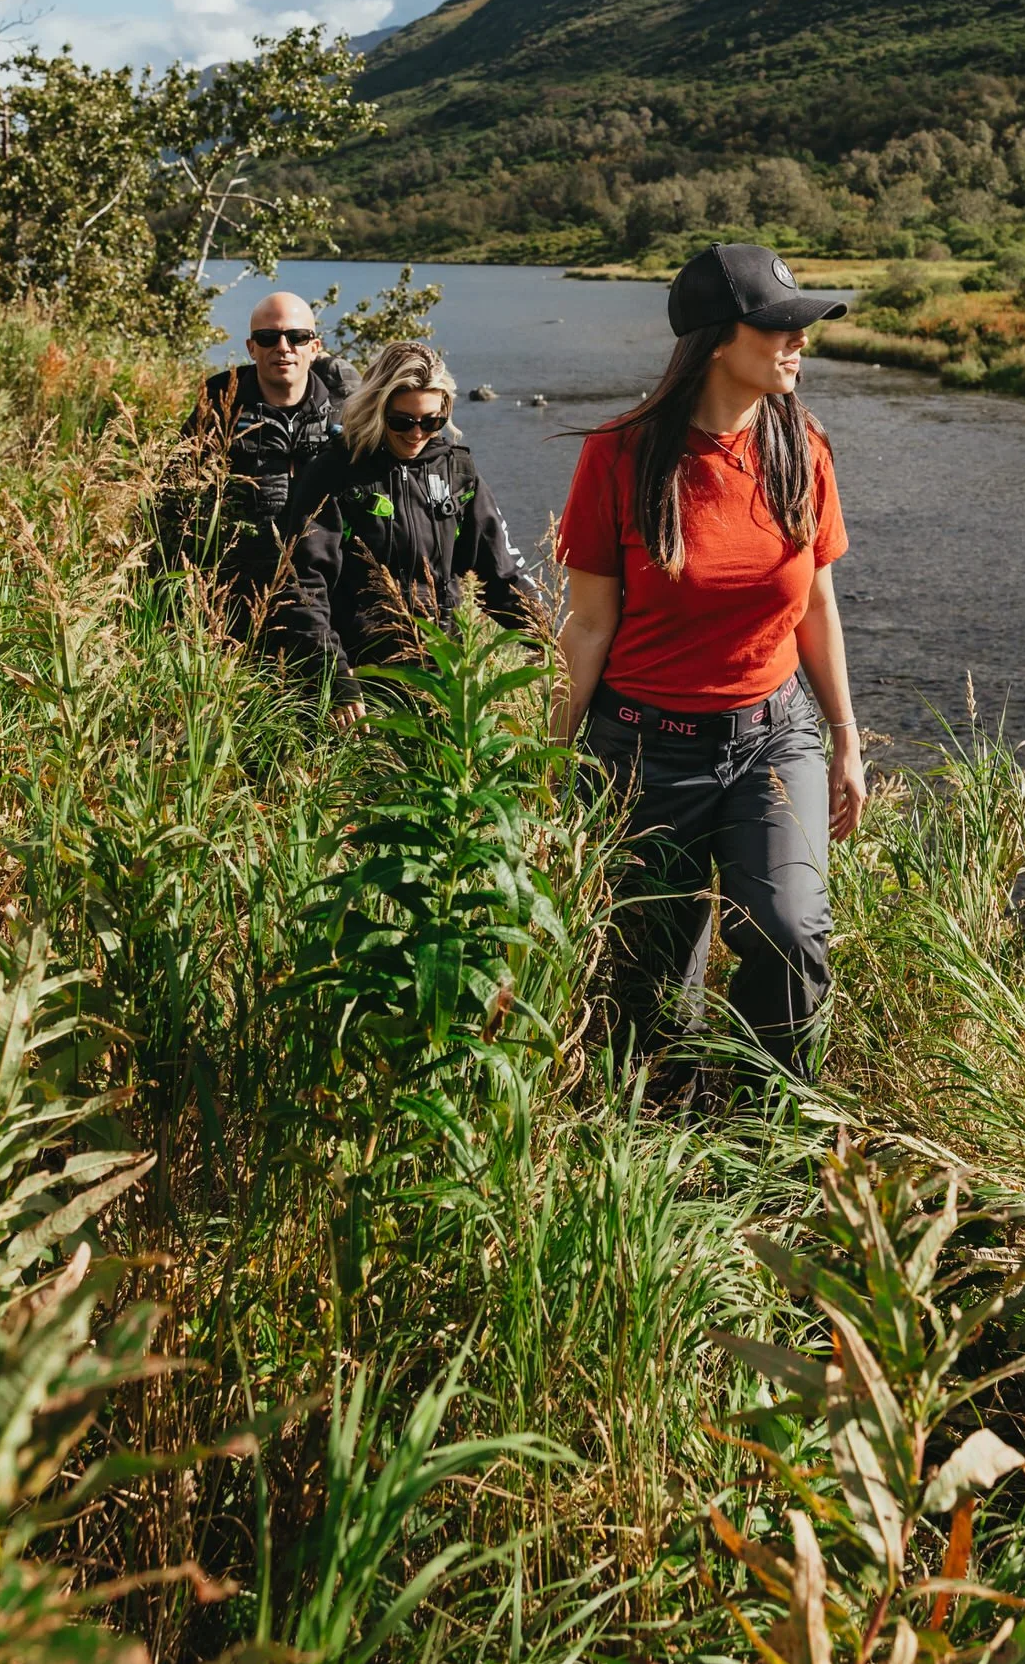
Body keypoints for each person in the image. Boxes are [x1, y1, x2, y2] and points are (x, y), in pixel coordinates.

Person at [555, 242, 867, 1082]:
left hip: (772, 737)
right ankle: (665, 1137)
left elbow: (816, 605)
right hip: (643, 749)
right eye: (780, 327)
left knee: (789, 928)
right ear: (716, 339)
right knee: (648, 981)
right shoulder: (619, 457)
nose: (799, 342)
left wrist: (845, 740)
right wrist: (549, 761)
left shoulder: (802, 447)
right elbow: (587, 628)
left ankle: (775, 1130)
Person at [277, 339, 534, 724]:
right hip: (361, 679)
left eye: (430, 422)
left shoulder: (456, 472)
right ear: (377, 408)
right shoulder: (335, 473)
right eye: (402, 421)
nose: (416, 434)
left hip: (442, 674)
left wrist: (548, 637)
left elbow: (501, 571)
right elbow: (303, 583)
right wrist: (333, 674)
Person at [166, 290, 359, 624]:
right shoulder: (217, 411)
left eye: (297, 337)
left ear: (314, 348)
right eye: (268, 337)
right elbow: (173, 505)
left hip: (329, 599)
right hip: (236, 603)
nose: (283, 348)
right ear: (251, 348)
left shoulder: (346, 414)